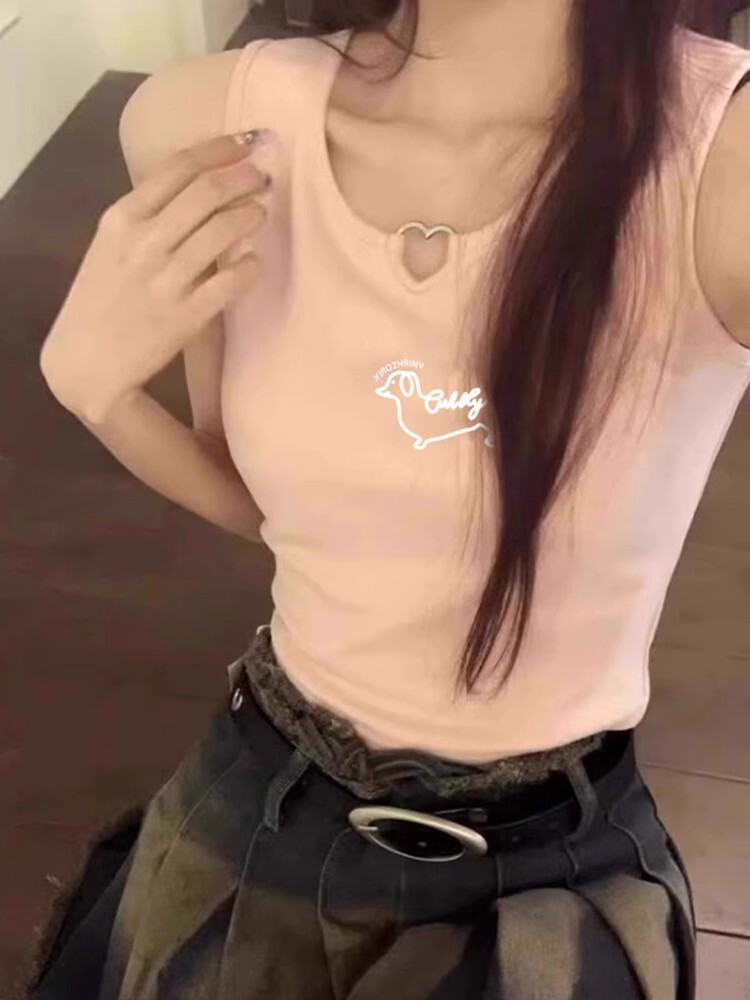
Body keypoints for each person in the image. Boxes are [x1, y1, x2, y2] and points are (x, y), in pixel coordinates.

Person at [27, 0, 750, 997]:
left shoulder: (721, 165)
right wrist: (97, 396)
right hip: (263, 802)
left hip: (552, 871)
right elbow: (277, 506)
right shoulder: (207, 123)